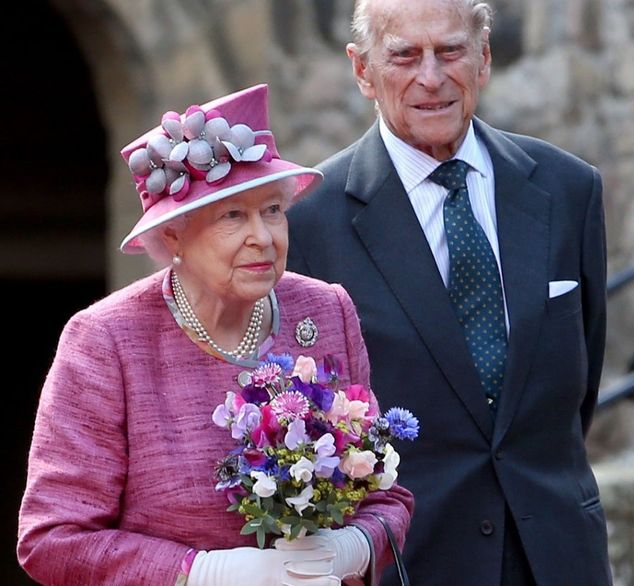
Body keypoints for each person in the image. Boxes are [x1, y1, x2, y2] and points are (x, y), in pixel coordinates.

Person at [287, 0, 611, 586]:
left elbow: (581, 386)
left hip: (560, 558)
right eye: (405, 55)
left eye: (451, 51)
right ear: (363, 70)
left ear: (484, 58)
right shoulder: (310, 223)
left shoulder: (570, 190)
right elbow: (311, 419)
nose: (431, 77)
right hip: (413, 561)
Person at [17, 84, 414, 585]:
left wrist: (350, 548)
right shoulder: (106, 342)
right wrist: (202, 573)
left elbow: (385, 496)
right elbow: (53, 539)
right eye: (233, 215)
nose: (264, 237)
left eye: (272, 209)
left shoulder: (326, 310)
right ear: (174, 234)